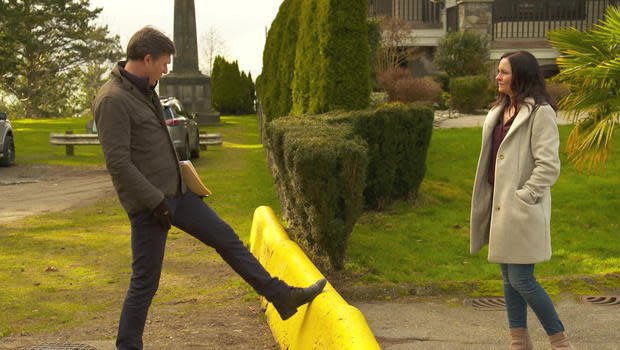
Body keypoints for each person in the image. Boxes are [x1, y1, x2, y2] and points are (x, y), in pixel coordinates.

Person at [93, 26, 326, 350]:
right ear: (147, 59)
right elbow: (118, 164)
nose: (166, 70)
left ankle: (282, 297)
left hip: (177, 194)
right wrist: (155, 200)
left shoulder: (146, 88)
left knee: (227, 239)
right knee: (145, 282)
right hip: (150, 206)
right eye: (163, 64)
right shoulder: (112, 99)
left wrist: (182, 178)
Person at [469, 51, 573, 350]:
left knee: (522, 279)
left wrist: (525, 196)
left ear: (521, 77)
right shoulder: (501, 109)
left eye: (504, 72)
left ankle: (560, 341)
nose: (497, 77)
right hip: (499, 206)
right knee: (508, 278)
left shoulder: (539, 113)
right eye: (498, 71)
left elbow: (549, 165)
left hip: (520, 208)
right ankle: (519, 341)